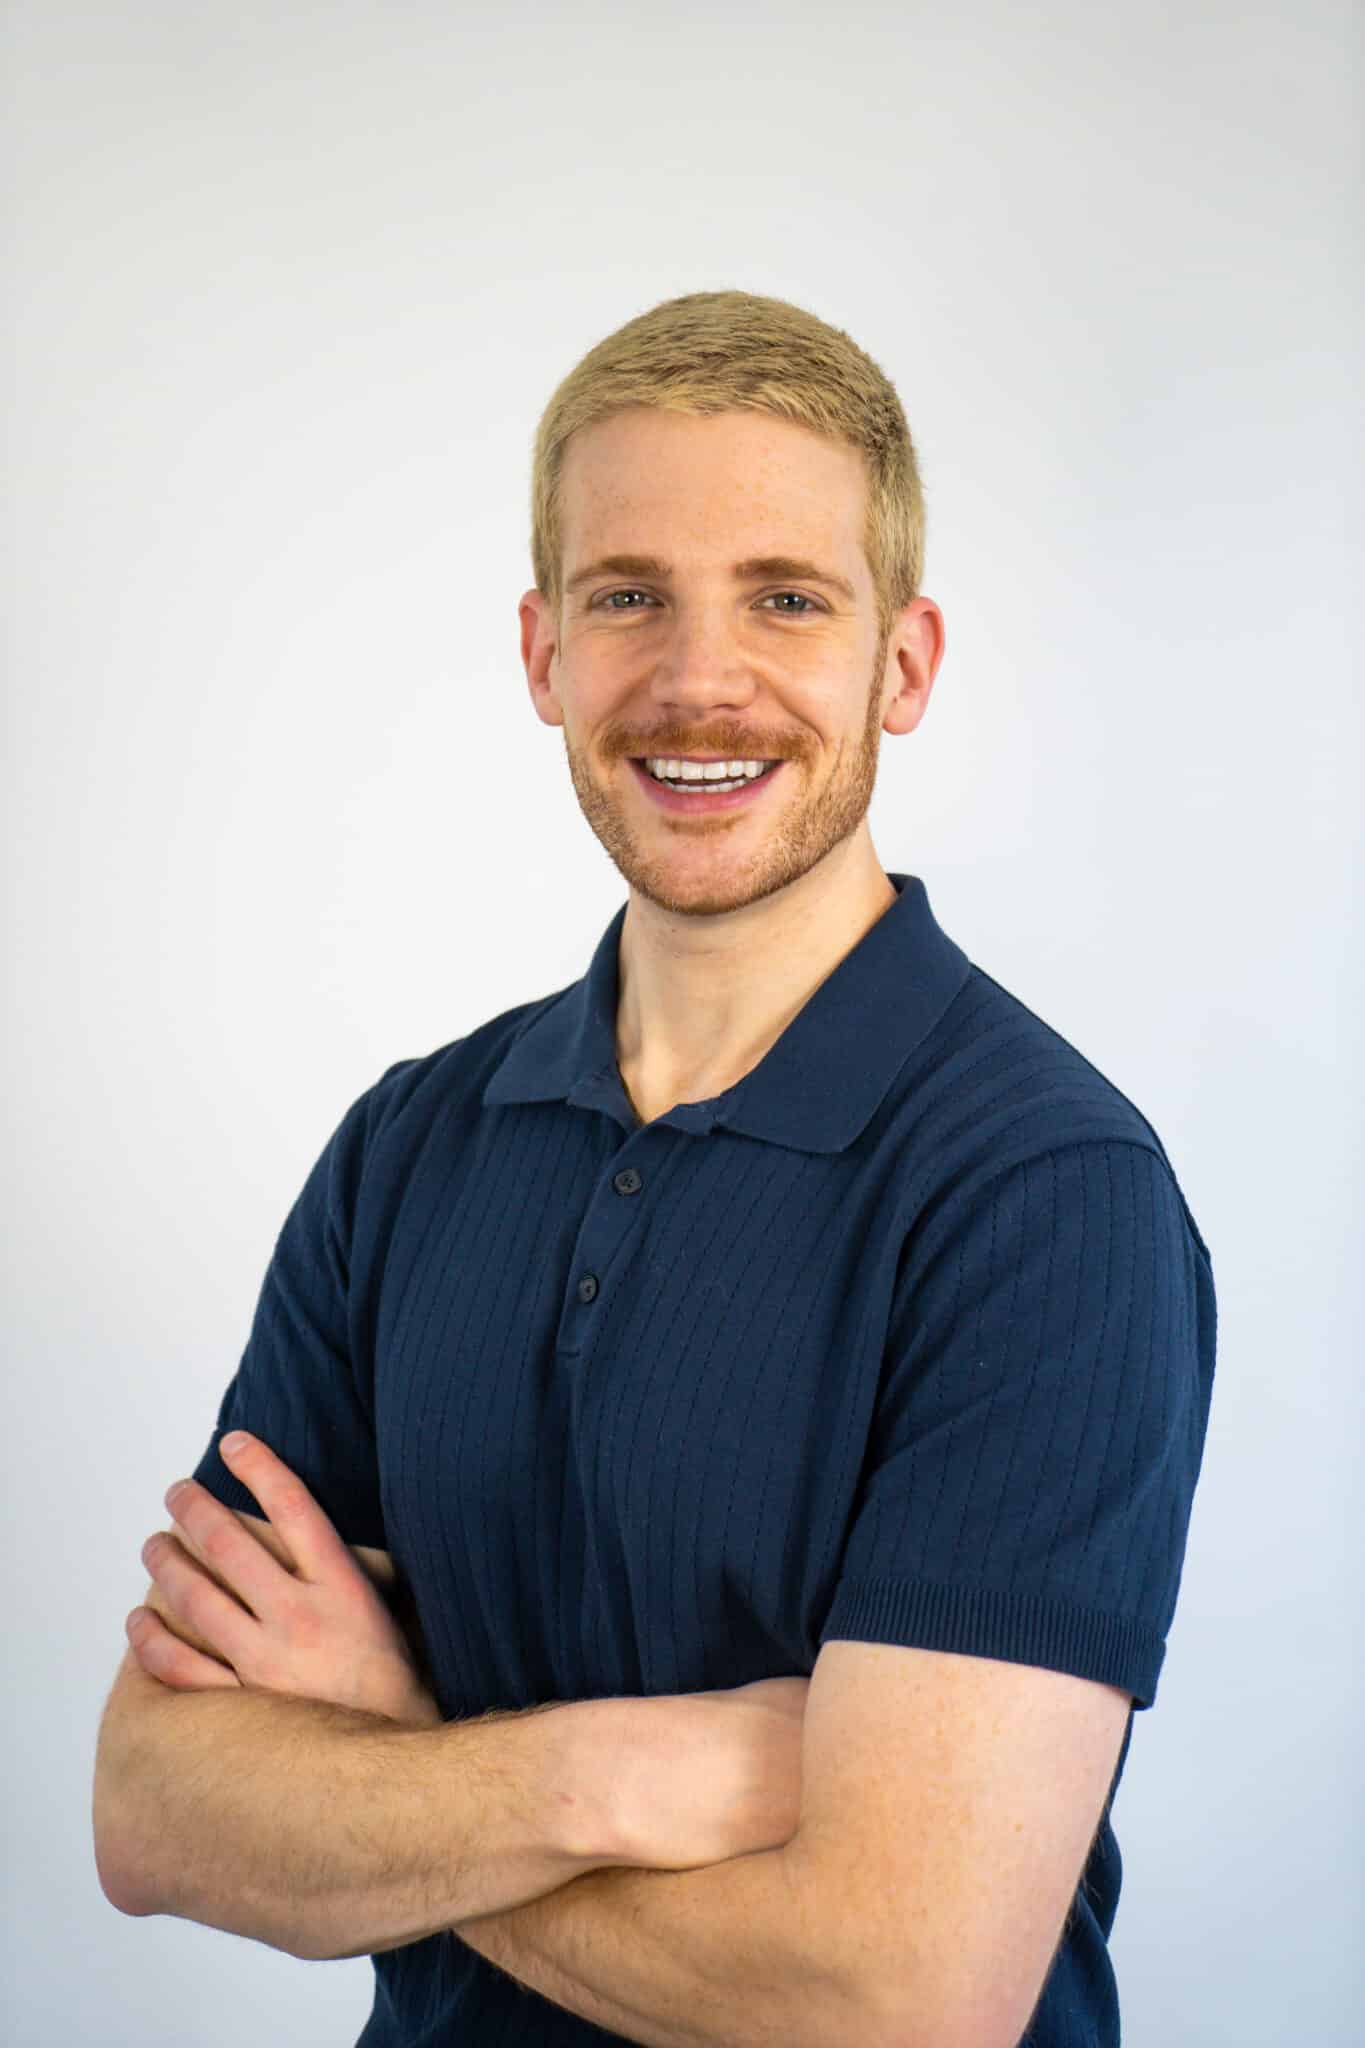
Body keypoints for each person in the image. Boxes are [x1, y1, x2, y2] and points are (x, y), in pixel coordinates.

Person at [94, 288, 1217, 2047]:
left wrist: (385, 1765)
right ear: (542, 651)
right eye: (630, 597)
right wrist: (611, 1775)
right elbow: (156, 1811)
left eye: (785, 596)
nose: (700, 678)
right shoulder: (409, 1149)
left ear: (900, 663)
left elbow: (900, 1996)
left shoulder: (1043, 1196)